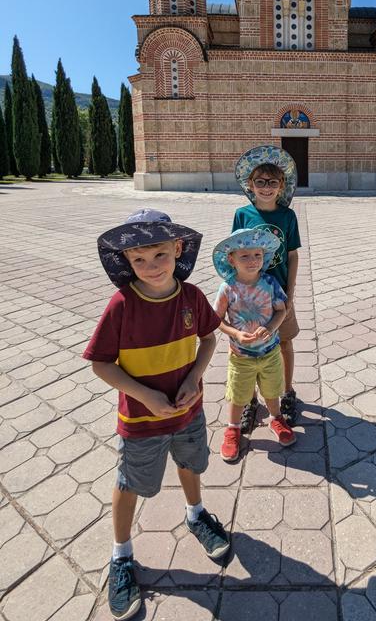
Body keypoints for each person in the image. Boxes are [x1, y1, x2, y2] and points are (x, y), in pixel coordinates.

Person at [83, 209, 230, 621]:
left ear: (177, 249)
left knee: (190, 464)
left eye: (160, 256)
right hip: (141, 421)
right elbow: (101, 364)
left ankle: (196, 514)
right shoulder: (121, 304)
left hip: (187, 411)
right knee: (130, 482)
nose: (150, 268)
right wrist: (145, 395)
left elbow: (208, 339)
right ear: (126, 261)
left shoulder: (192, 297)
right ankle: (121, 556)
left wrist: (196, 378)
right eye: (139, 260)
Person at [231, 146, 301, 429]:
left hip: (279, 294)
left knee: (284, 341)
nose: (266, 187)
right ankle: (249, 400)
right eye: (260, 182)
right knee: (244, 345)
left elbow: (293, 255)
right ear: (250, 184)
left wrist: (291, 292)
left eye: (273, 182)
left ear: (281, 185)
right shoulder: (242, 214)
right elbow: (233, 252)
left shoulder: (287, 216)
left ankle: (287, 392)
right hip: (248, 294)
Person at [213, 228, 297, 462]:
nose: (252, 261)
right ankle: (232, 428)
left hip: (270, 352)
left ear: (264, 256)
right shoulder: (227, 288)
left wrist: (271, 328)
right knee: (239, 394)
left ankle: (276, 418)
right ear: (232, 259)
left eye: (257, 255)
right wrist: (235, 334)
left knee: (272, 390)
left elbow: (281, 310)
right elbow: (216, 320)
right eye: (245, 256)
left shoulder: (270, 282)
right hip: (240, 356)